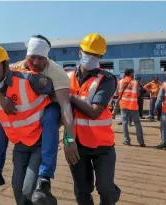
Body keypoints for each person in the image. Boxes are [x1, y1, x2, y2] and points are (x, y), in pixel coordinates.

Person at [0, 35, 73, 205]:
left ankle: (44, 180)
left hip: (51, 114)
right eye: (31, 57)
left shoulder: (55, 74)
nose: (34, 62)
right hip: (23, 140)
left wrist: (70, 141)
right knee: (0, 121)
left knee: (50, 114)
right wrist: (1, 98)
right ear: (26, 56)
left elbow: (66, 108)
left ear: (46, 59)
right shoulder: (14, 69)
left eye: (40, 58)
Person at [66, 33, 121, 205]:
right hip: (75, 144)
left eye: (96, 55)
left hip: (102, 145)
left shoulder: (107, 79)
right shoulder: (66, 78)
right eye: (88, 52)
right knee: (82, 189)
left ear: (101, 57)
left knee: (105, 188)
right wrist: (67, 142)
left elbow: (94, 112)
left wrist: (67, 97)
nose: (91, 57)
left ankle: (112, 194)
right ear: (79, 52)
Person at [118, 68, 145, 147]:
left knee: (124, 123)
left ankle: (126, 141)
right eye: (133, 73)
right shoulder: (135, 82)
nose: (133, 74)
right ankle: (141, 142)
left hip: (123, 105)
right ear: (130, 73)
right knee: (137, 123)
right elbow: (138, 94)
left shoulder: (120, 82)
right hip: (132, 105)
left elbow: (117, 92)